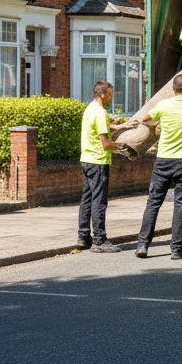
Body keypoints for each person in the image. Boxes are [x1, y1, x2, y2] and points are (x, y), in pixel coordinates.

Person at [136, 74, 182, 259]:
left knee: (153, 202)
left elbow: (146, 118)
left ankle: (143, 246)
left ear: (173, 89)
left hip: (163, 160)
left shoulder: (163, 105)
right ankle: (177, 248)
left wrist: (157, 123)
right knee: (180, 205)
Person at [78, 80, 132, 252]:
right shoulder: (100, 112)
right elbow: (106, 143)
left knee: (86, 199)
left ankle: (83, 237)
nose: (112, 97)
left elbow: (102, 128)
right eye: (110, 94)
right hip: (98, 161)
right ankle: (100, 240)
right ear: (102, 94)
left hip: (86, 159)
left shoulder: (90, 108)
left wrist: (121, 126)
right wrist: (122, 148)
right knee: (99, 201)